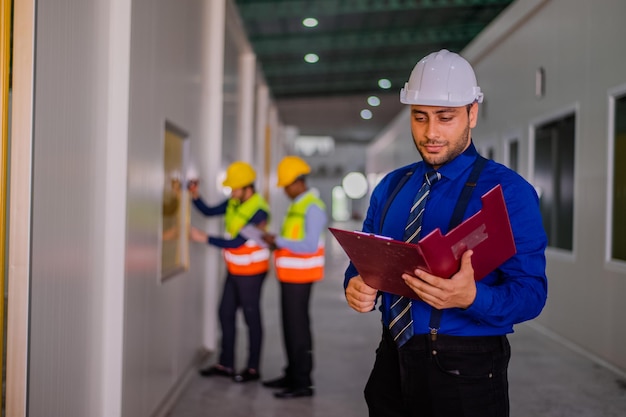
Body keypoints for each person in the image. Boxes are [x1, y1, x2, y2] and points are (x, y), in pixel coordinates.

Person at [343, 49, 548, 417]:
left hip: (465, 369)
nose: (431, 132)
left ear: (472, 113)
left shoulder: (509, 193)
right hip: (392, 356)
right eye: (419, 117)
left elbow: (532, 293)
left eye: (445, 117)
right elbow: (365, 257)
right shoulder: (391, 187)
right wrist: (355, 283)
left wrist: (472, 297)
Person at [189, 161, 270, 383]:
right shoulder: (235, 202)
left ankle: (252, 369)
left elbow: (236, 243)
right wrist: (195, 195)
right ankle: (226, 364)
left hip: (252, 272)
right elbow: (208, 211)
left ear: (247, 188)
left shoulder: (259, 212)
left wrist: (202, 238)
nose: (231, 192)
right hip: (235, 270)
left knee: (251, 318)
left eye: (234, 188)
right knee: (225, 313)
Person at [261, 156, 327, 399]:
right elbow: (295, 239)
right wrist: (277, 242)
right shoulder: (298, 204)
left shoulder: (312, 206)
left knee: (298, 329)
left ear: (299, 182)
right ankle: (291, 374)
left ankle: (302, 382)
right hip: (289, 275)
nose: (285, 190)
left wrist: (278, 241)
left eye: (287, 185)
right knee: (290, 328)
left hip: (301, 277)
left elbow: (309, 245)